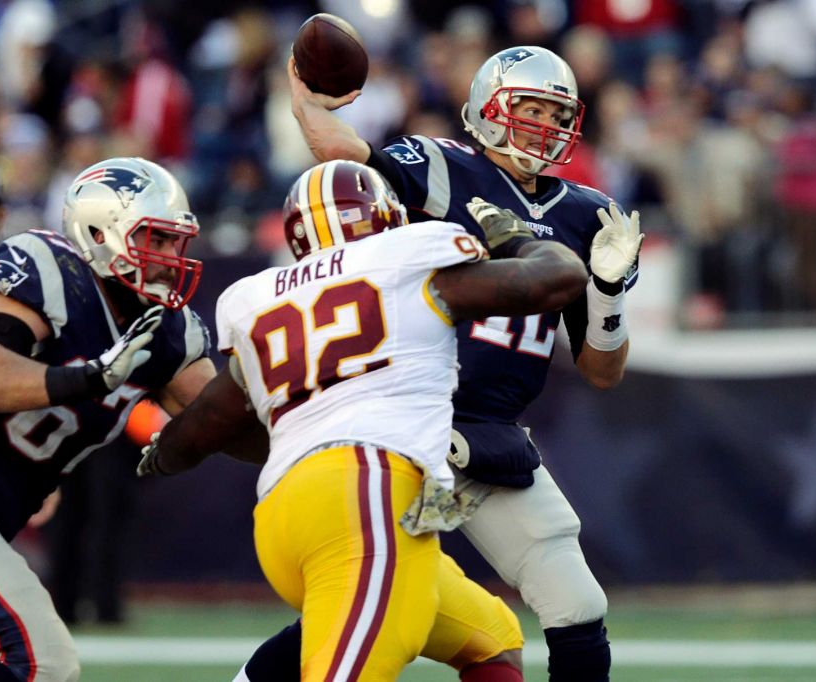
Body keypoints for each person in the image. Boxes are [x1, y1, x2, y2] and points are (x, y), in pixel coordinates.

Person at [260, 45, 643, 682]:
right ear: (489, 110)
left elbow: (602, 370)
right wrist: (307, 101)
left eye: (558, 112)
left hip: (485, 442)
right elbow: (343, 154)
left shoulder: (587, 214)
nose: (546, 125)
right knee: (374, 597)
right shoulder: (442, 167)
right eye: (531, 108)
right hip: (410, 427)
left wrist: (605, 292)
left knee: (575, 602)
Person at [137, 158, 590, 681]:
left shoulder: (262, 296)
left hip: (284, 515)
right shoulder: (406, 258)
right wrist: (514, 240)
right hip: (367, 498)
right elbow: (558, 278)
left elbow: (205, 427)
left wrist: (163, 454)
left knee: (491, 638)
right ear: (386, 216)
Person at [0, 157, 215, 682]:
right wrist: (89, 380)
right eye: (155, 240)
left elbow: (222, 418)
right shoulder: (49, 269)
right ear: (98, 233)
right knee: (43, 664)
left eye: (173, 242)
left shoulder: (166, 330)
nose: (167, 259)